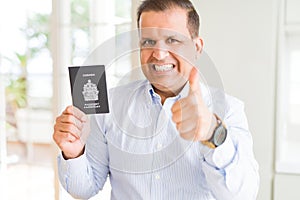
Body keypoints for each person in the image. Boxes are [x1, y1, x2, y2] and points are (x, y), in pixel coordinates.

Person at [53, 0, 259, 199]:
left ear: (197, 47)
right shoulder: (111, 105)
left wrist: (213, 133)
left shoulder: (229, 109)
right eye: (148, 42)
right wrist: (74, 153)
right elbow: (84, 189)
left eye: (172, 40)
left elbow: (242, 195)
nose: (159, 54)